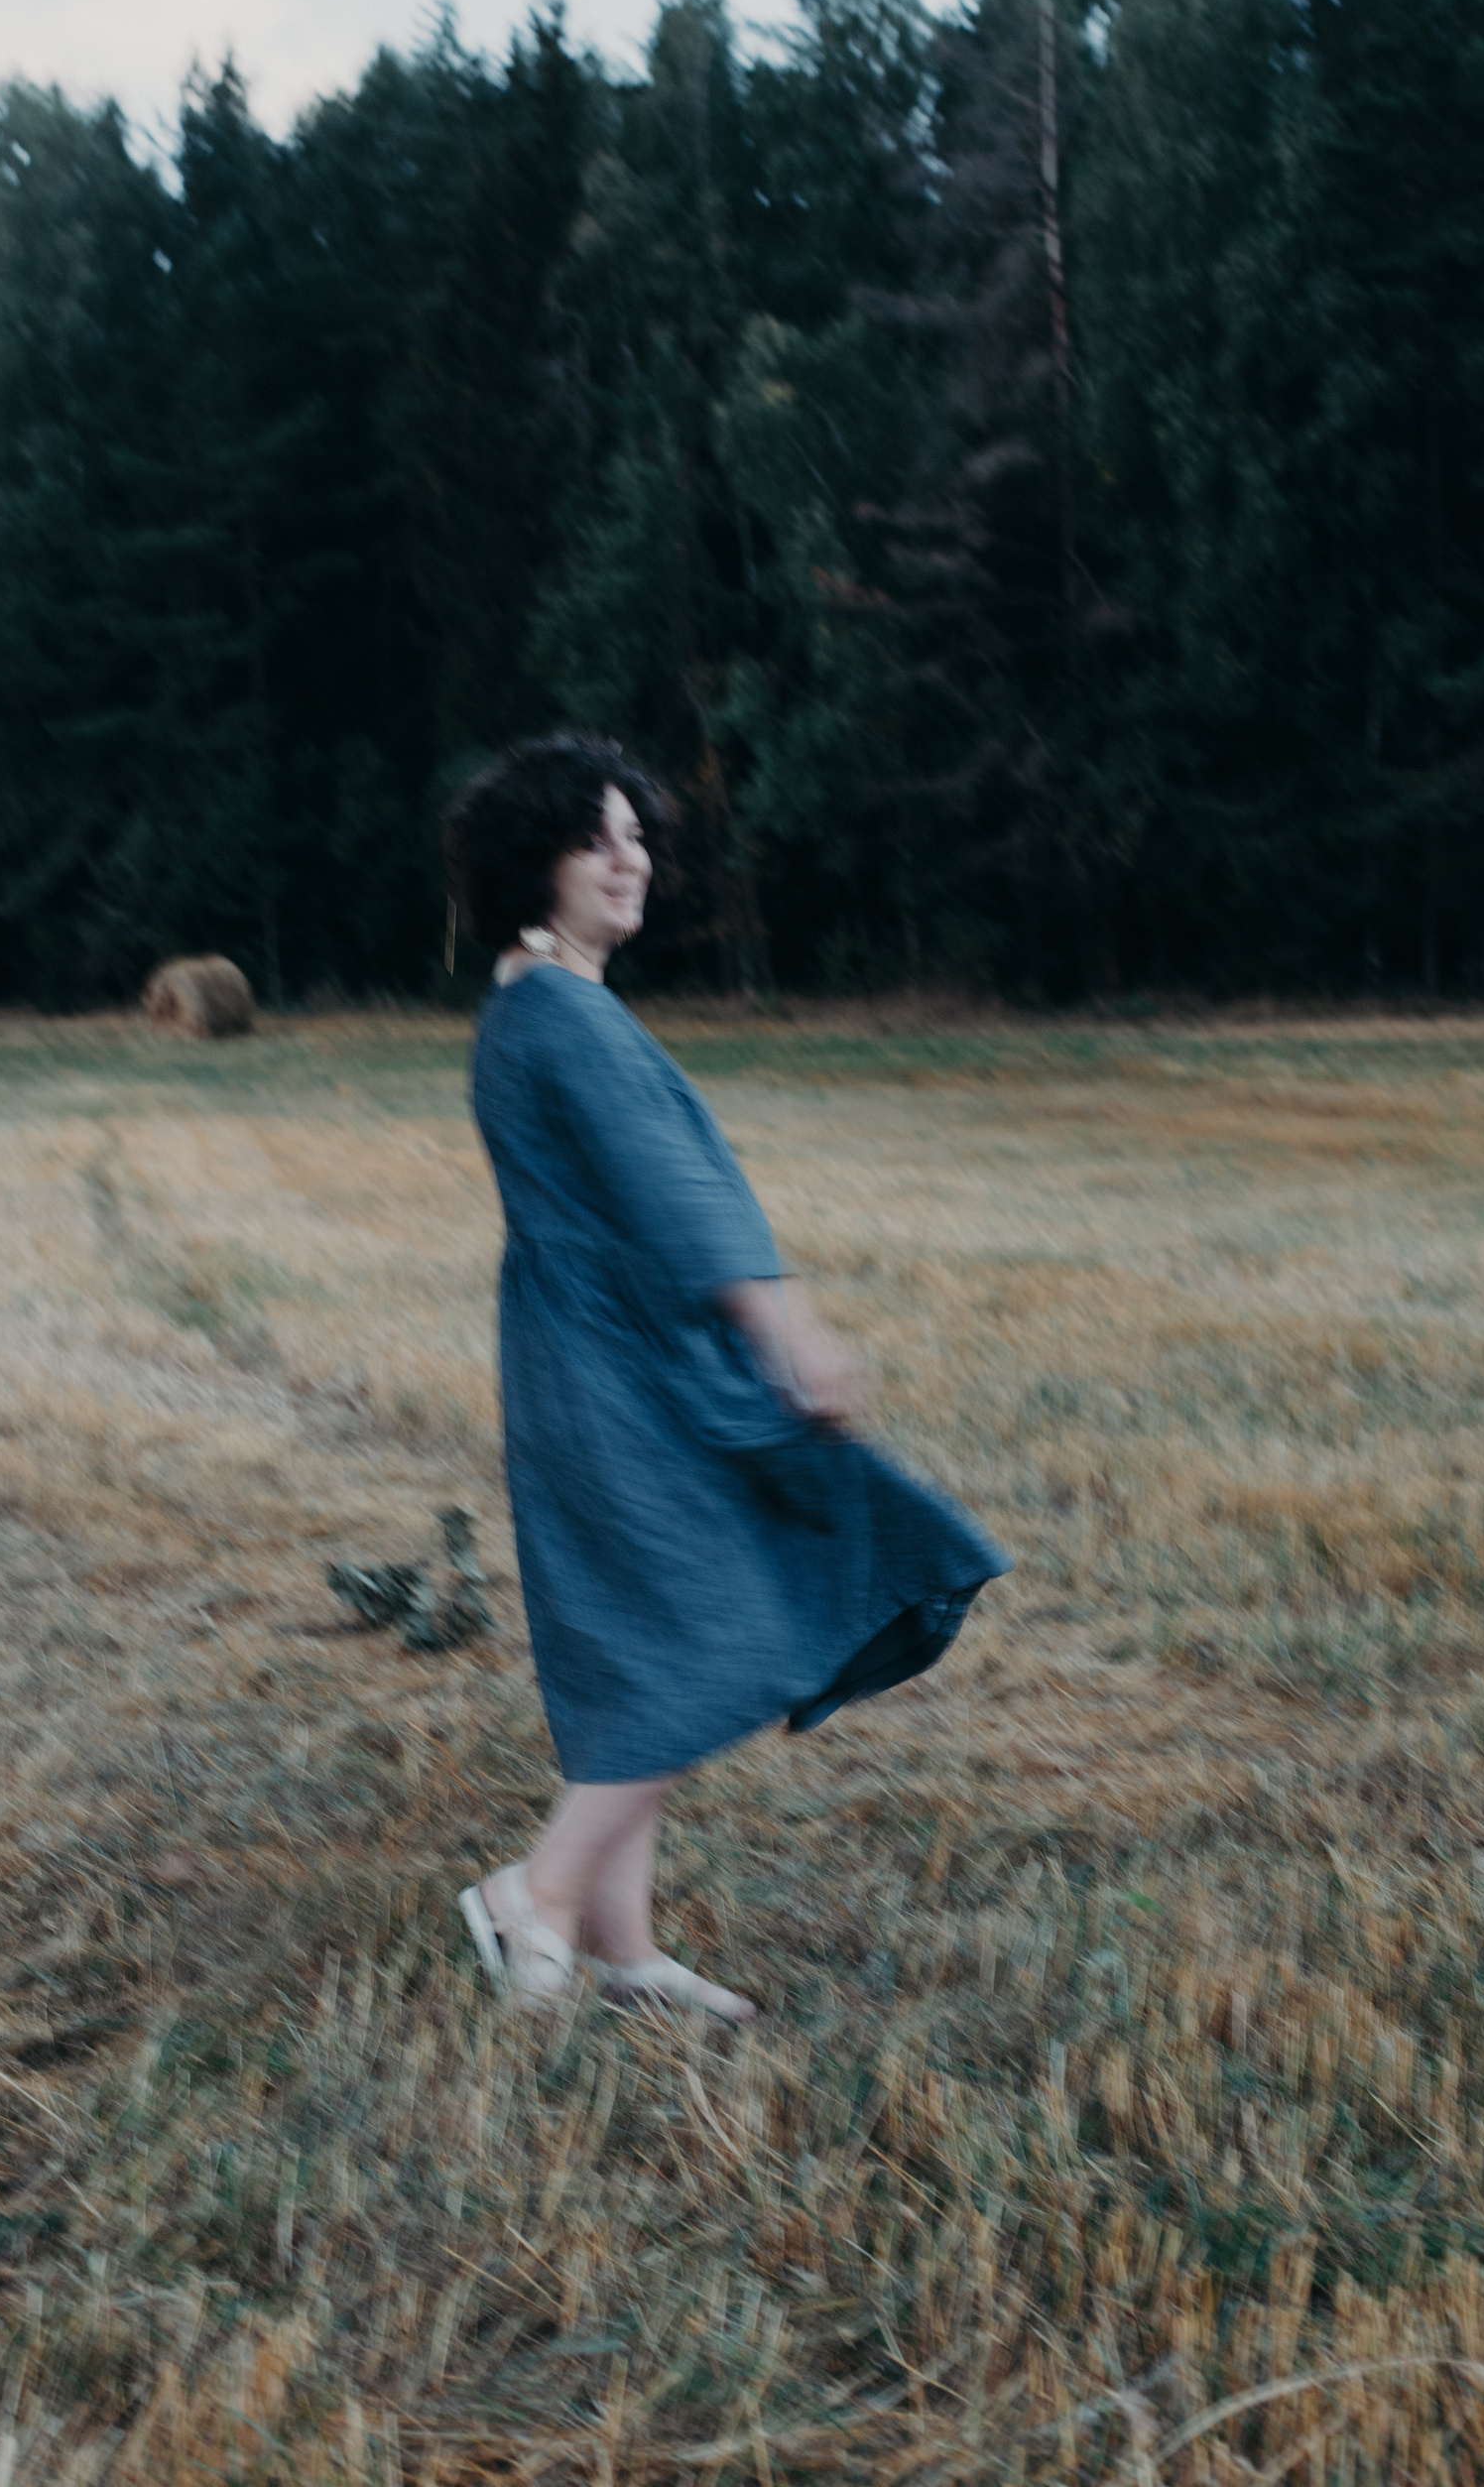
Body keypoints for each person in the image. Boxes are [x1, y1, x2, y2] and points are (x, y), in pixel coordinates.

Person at [444, 733, 1009, 2019]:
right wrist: (786, 1325)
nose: (629, 860)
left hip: (593, 1354)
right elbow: (674, 1190)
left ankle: (621, 1950)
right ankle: (536, 1894)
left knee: (639, 1648)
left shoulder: (529, 1002)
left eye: (637, 837)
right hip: (623, 1367)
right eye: (595, 839)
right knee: (716, 1637)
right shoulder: (563, 1014)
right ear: (535, 863)